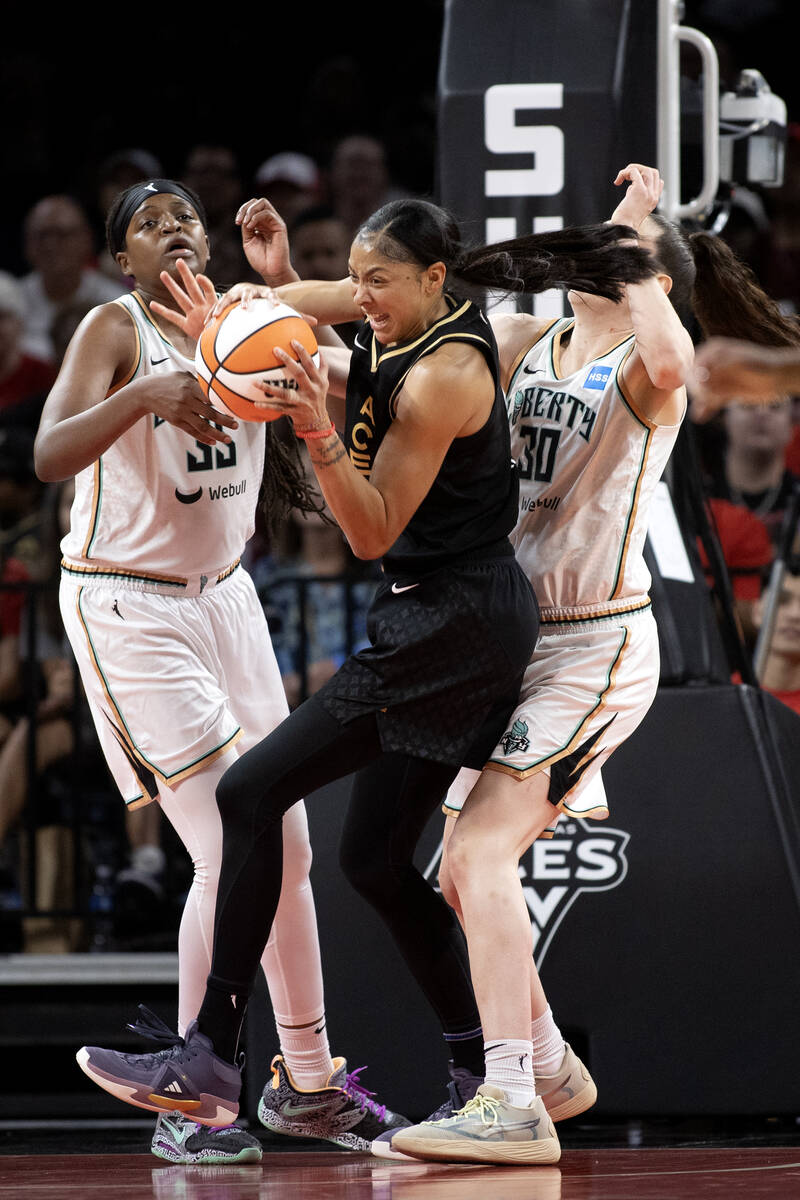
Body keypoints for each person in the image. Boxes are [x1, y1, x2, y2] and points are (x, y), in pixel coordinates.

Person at [73, 189, 657, 1159]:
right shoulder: (393, 303)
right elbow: (319, 297)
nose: (362, 298)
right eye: (359, 280)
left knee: (252, 792)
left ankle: (208, 1056)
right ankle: (485, 1070)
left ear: (434, 278)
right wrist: (255, 304)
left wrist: (309, 422)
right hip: (443, 614)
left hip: (448, 626)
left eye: (378, 283)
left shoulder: (448, 375)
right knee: (374, 862)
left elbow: (370, 528)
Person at [386, 164, 800, 1165]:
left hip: (596, 643)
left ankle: (512, 1102)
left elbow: (668, 348)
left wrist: (639, 244)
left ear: (634, 278)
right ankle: (547, 1066)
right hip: (515, 638)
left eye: (601, 260)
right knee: (454, 871)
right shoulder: (534, 342)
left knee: (480, 857)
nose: (580, 263)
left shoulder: (647, 375)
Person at [33, 178, 408, 1164]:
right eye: (148, 227)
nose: (173, 233)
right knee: (228, 846)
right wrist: (140, 396)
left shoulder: (246, 320)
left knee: (289, 850)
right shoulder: (113, 331)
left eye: (185, 220)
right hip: (131, 603)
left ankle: (309, 1084)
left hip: (227, 599)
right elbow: (45, 454)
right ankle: (190, 1102)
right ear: (124, 262)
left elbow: (355, 370)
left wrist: (291, 303)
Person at [18, 194, 128, 363]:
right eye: (42, 235)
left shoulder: (116, 303)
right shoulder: (12, 305)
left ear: (86, 240)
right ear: (27, 244)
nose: (50, 245)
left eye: (61, 234)